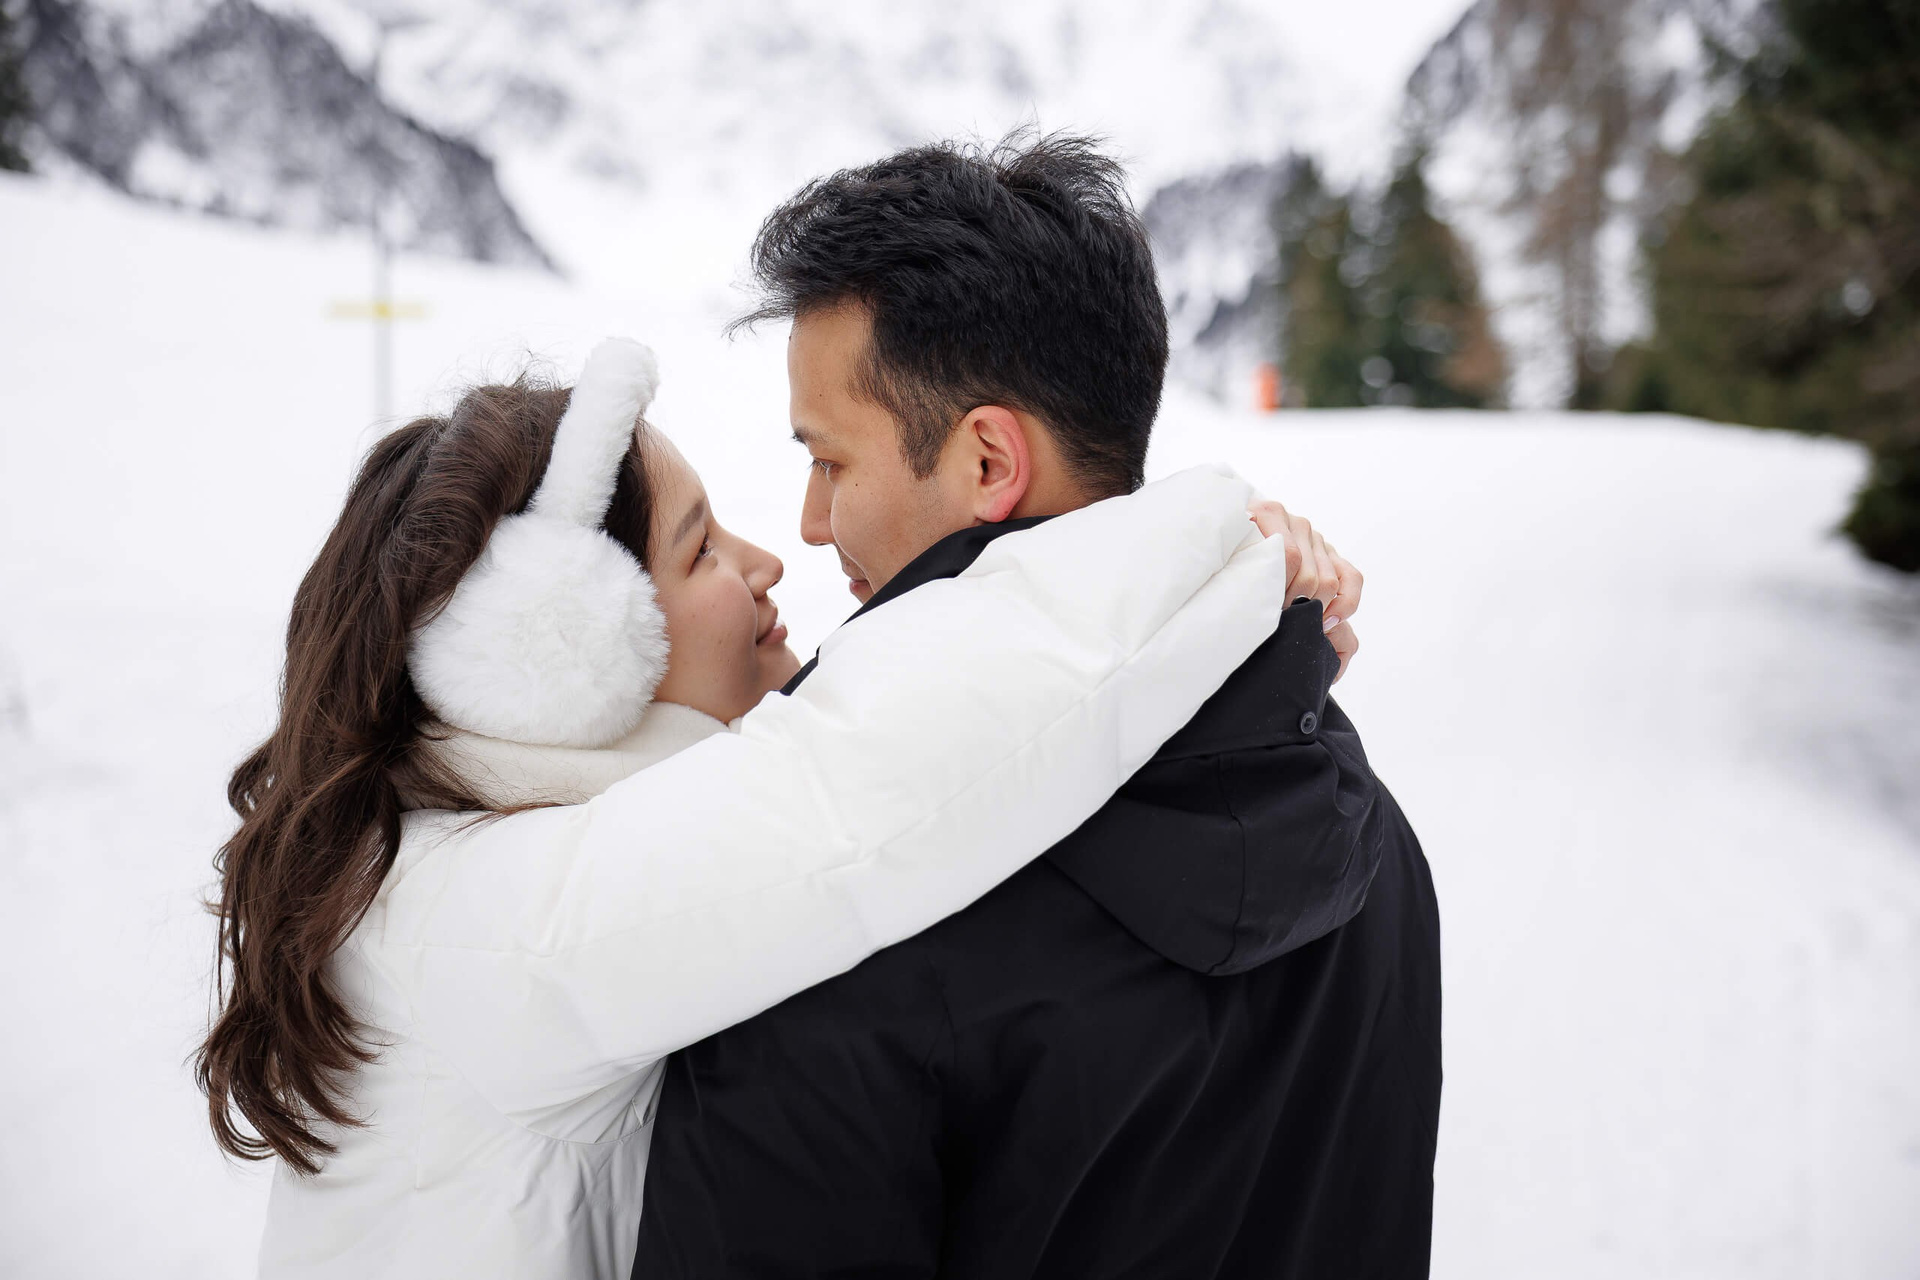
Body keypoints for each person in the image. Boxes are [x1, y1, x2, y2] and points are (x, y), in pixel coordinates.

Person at [195, 336, 1365, 1278]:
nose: (765, 558)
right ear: (561, 644)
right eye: (698, 547)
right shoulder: (485, 922)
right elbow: (853, 786)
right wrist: (1213, 560)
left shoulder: (474, 860)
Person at [630, 135, 1441, 1278]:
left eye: (832, 461)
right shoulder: (1368, 835)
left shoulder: (836, 897)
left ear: (988, 463)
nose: (811, 522)